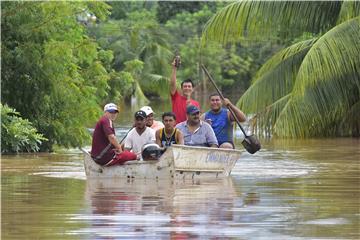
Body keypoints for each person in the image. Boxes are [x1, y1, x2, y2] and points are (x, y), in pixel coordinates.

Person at [170, 57, 200, 123]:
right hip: (177, 130)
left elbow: (197, 119)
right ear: (181, 89)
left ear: (193, 89)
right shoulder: (176, 97)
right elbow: (172, 84)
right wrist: (174, 68)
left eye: (189, 86)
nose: (187, 88)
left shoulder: (196, 103)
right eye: (185, 86)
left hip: (190, 131)